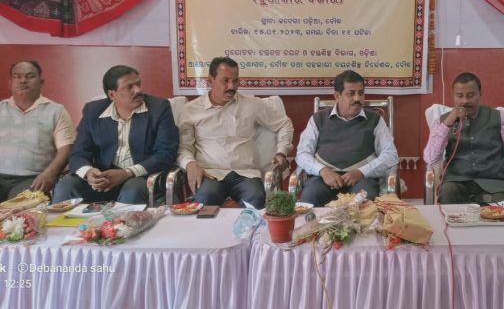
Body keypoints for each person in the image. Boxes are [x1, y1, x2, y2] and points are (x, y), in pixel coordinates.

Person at [177, 57, 293, 208]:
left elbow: (284, 123)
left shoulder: (252, 104)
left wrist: (282, 152)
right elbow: (183, 147)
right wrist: (190, 164)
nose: (231, 86)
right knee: (204, 201)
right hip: (210, 173)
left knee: (256, 200)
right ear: (210, 81)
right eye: (225, 81)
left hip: (245, 174)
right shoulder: (191, 110)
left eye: (235, 81)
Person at [53, 65, 179, 204]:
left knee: (133, 189)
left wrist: (127, 173)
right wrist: (89, 173)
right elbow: (78, 153)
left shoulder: (159, 108)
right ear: (112, 95)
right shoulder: (93, 111)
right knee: (66, 186)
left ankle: (124, 220)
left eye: (138, 84)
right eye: (129, 87)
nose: (138, 90)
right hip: (104, 177)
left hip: (140, 176)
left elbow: (166, 153)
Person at [423, 72, 504, 204]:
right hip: (456, 184)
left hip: (495, 185)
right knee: (447, 194)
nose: (465, 101)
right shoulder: (442, 121)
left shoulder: (499, 117)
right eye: (460, 96)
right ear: (453, 96)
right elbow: (431, 158)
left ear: (480, 94)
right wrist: (447, 124)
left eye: (471, 95)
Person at [296, 70, 398, 206]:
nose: (357, 98)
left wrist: (361, 172)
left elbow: (390, 155)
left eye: (361, 93)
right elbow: (302, 154)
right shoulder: (318, 119)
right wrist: (323, 171)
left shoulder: (375, 120)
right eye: (351, 93)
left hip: (362, 179)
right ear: (337, 96)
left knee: (365, 203)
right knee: (309, 199)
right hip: (323, 179)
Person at [0, 60, 75, 201]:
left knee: (20, 210)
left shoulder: (56, 111)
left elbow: (66, 148)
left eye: (30, 76)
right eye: (17, 76)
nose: (23, 81)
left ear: (41, 82)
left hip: (33, 179)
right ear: (10, 83)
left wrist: (50, 173)